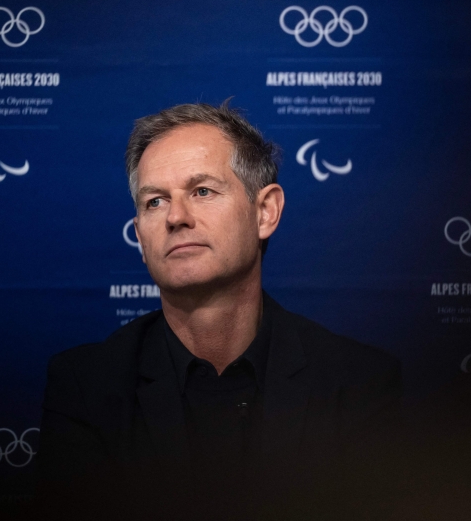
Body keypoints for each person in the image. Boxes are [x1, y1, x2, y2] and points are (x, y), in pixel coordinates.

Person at [37, 102, 401, 521]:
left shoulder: (359, 383)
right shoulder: (84, 386)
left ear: (265, 212)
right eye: (154, 201)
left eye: (202, 191)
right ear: (139, 236)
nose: (175, 216)